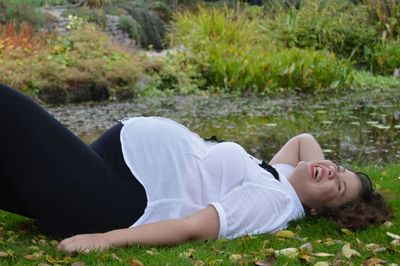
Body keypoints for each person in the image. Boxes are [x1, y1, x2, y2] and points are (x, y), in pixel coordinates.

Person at [0, 83, 391, 253]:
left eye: (338, 186)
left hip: (107, 196)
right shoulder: (281, 178)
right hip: (107, 168)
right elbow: (304, 139)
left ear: (320, 211)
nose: (331, 171)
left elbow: (197, 227)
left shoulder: (274, 202)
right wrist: (325, 175)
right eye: (338, 167)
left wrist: (104, 240)